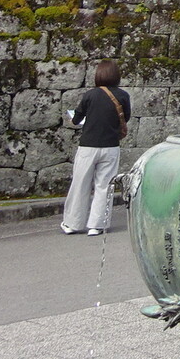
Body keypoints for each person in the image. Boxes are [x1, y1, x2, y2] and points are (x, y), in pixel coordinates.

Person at [61, 59, 131, 237]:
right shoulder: (123, 96)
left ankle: (72, 223)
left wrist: (78, 118)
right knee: (104, 186)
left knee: (80, 184)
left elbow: (77, 119)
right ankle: (97, 225)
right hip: (111, 146)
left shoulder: (90, 95)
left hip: (88, 146)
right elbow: (126, 118)